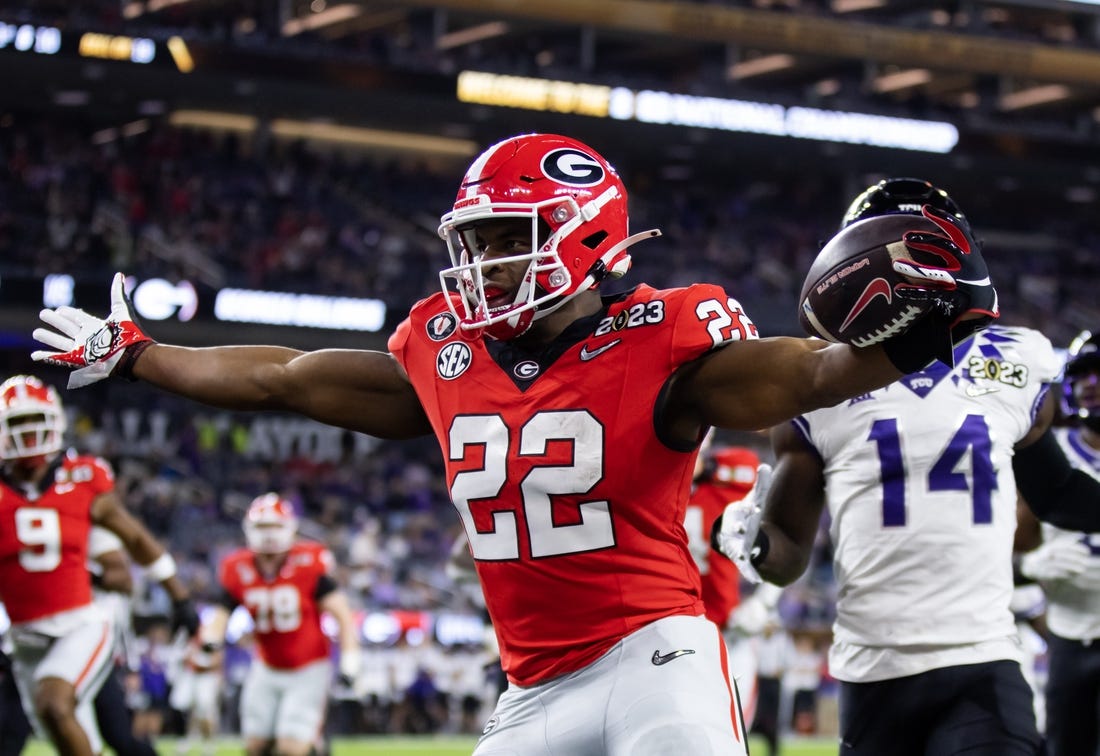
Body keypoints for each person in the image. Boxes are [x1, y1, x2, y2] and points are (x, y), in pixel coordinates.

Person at [31, 134, 998, 755]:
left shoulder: (671, 336)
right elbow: (285, 374)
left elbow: (815, 373)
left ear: (586, 239)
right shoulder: (444, 353)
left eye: (504, 238)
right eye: (477, 241)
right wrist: (140, 355)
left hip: (655, 656)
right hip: (533, 687)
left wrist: (930, 326)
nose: (481, 264)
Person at [715, 178, 1100, 755]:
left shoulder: (1016, 358)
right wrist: (756, 545)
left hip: (982, 661)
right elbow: (788, 552)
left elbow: (1059, 493)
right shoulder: (813, 383)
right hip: (871, 674)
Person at [0, 374, 199, 756]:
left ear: (55, 422)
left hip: (81, 623)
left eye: (34, 421)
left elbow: (136, 540)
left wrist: (180, 597)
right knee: (72, 738)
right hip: (24, 638)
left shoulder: (83, 479)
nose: (28, 434)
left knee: (55, 705)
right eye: (18, 423)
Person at [196, 492, 361, 756]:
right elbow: (221, 613)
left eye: (275, 527)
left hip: (308, 667)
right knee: (255, 746)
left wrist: (351, 658)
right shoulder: (237, 567)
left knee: (291, 748)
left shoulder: (308, 562)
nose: (269, 534)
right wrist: (210, 640)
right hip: (266, 665)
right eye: (262, 527)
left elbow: (341, 612)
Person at [1016, 330, 1100, 755]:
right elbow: (1010, 546)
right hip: (1068, 631)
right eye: (1083, 374)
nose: (1091, 384)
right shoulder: (1049, 456)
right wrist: (1031, 566)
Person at [684, 439, 783, 726]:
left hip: (728, 634)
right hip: (668, 634)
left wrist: (763, 603)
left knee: (733, 732)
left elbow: (784, 537)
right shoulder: (646, 485)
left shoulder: (735, 473)